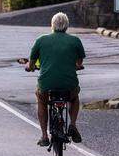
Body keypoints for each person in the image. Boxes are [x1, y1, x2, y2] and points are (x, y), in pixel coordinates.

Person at [26, 11, 86, 146]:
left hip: (47, 86)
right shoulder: (75, 40)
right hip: (68, 85)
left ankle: (44, 136)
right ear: (67, 26)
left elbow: (31, 63)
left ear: (52, 25)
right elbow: (79, 63)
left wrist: (30, 67)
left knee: (41, 100)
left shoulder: (41, 40)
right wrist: (75, 66)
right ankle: (73, 124)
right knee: (74, 98)